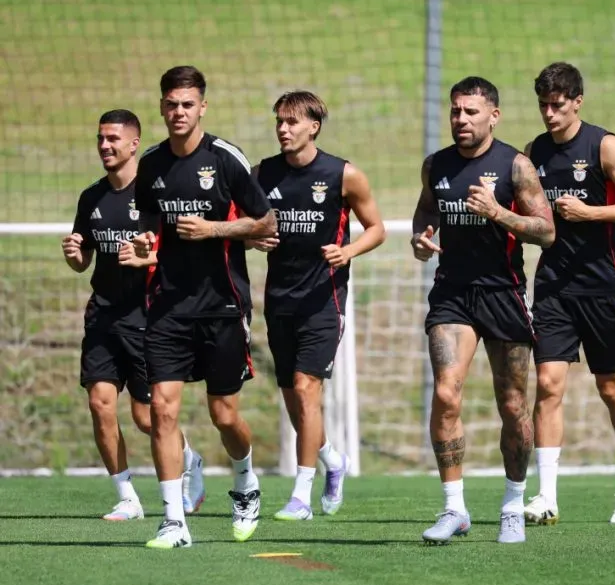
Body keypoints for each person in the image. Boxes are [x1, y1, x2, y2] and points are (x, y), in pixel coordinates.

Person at [132, 66, 277, 548]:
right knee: (163, 412)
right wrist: (140, 247)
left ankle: (245, 482)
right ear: (161, 107)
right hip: (168, 305)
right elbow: (150, 231)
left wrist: (215, 229)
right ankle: (174, 520)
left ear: (202, 107)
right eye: (171, 104)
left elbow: (266, 222)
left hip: (223, 306)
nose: (179, 112)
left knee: (224, 414)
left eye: (187, 104)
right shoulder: (150, 164)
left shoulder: (226, 158)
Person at [410, 76, 554, 544]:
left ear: (493, 115)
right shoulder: (436, 165)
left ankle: (513, 504)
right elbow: (425, 212)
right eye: (455, 111)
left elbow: (545, 231)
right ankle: (454, 508)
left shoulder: (515, 166)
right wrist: (422, 237)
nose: (461, 120)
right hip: (452, 294)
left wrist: (499, 213)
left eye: (471, 112)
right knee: (446, 394)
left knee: (512, 405)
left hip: (503, 293)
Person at [521, 62, 615, 526]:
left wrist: (589, 212)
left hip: (603, 284)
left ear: (577, 101)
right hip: (554, 285)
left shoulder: (604, 145)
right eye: (543, 105)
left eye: (557, 105)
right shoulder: (533, 153)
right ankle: (546, 496)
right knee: (547, 384)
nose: (549, 114)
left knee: (611, 387)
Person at [249, 91, 386, 521]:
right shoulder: (262, 173)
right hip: (279, 299)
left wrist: (349, 253)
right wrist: (254, 238)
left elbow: (377, 229)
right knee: (294, 398)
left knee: (308, 391)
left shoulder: (343, 174)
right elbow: (244, 226)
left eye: (291, 121)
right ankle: (332, 460)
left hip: (323, 301)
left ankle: (300, 496)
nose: (283, 129)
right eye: (279, 122)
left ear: (314, 127)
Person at [64, 109, 205, 522]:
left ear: (133, 144)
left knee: (147, 418)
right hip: (104, 317)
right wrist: (76, 255)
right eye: (100, 139)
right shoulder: (91, 197)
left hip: (149, 318)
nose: (105, 146)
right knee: (99, 403)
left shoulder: (157, 197)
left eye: (112, 139)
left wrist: (150, 259)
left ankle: (190, 460)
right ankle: (127, 496)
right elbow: (84, 256)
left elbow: (181, 258)